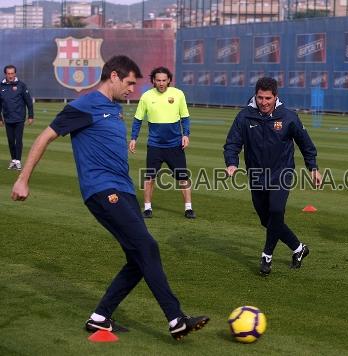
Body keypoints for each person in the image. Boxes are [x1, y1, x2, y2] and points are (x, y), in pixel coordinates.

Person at [11, 55, 208, 340]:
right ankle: (176, 318)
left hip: (124, 191)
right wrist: (23, 179)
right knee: (147, 247)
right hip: (102, 190)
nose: (132, 90)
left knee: (139, 259)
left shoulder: (114, 109)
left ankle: (100, 317)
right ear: (113, 76)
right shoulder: (84, 105)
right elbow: (44, 137)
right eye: (129, 83)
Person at [223, 77, 322, 275]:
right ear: (255, 96)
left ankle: (266, 256)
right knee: (267, 220)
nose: (264, 102)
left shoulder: (288, 117)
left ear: (275, 97)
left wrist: (313, 168)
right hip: (257, 175)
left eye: (268, 98)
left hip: (282, 173)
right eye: (260, 98)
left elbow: (306, 144)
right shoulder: (245, 116)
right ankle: (299, 248)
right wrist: (231, 163)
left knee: (276, 211)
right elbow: (232, 143)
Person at [129, 67, 196, 219]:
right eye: (158, 80)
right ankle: (147, 208)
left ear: (169, 80)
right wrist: (133, 138)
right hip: (155, 146)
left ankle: (188, 208)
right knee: (150, 177)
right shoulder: (146, 96)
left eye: (164, 80)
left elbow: (185, 117)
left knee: (182, 177)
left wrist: (186, 134)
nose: (161, 83)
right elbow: (138, 119)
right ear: (153, 80)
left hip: (175, 145)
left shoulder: (178, 94)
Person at [0, 64, 34, 170]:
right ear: (5, 74)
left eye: (12, 73)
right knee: (10, 140)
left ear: (15, 73)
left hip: (19, 117)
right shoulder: (1, 86)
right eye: (8, 73)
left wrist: (31, 116)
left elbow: (28, 101)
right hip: (8, 118)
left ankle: (18, 161)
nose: (10, 75)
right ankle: (13, 160)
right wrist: (0, 119)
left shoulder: (21, 85)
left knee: (18, 139)